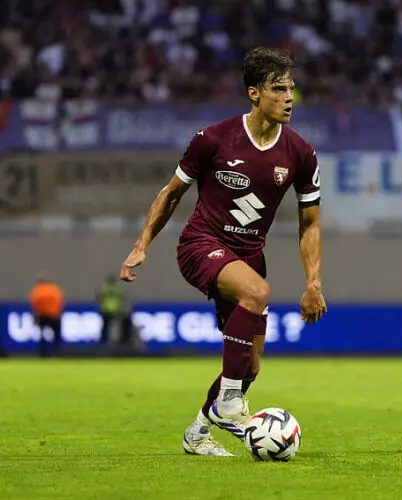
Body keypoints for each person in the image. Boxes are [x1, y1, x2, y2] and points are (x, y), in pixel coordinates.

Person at [119, 47, 326, 457]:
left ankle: (198, 432)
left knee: (249, 367)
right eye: (278, 89)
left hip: (249, 257)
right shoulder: (213, 139)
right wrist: (141, 244)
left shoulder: (301, 153)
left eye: (291, 89)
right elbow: (171, 194)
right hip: (201, 244)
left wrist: (313, 282)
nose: (289, 98)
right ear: (254, 93)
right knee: (258, 292)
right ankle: (229, 405)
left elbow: (310, 224)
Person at [29, 273, 65, 357]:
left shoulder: (37, 291)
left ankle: (43, 352)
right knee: (56, 334)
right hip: (54, 315)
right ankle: (56, 352)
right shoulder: (54, 290)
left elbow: (34, 304)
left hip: (42, 316)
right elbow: (60, 301)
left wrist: (36, 315)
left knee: (42, 335)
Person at [97, 274, 127, 345]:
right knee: (115, 327)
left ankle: (104, 341)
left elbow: (100, 298)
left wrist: (100, 308)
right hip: (115, 310)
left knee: (105, 327)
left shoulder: (105, 288)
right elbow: (122, 299)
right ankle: (116, 341)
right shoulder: (117, 288)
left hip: (106, 309)